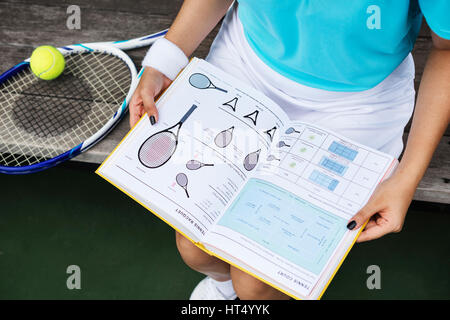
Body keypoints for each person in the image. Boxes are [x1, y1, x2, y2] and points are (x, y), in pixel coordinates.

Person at [129, 0, 450, 300]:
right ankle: (224, 287)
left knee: (255, 285)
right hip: (245, 63)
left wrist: (407, 177)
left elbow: (447, 49)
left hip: (356, 105)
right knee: (194, 246)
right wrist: (164, 62)